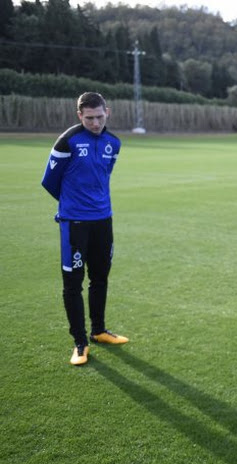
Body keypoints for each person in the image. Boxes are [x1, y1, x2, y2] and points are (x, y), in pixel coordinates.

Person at [41, 92, 129, 366]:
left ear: (108, 112)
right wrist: (71, 206)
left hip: (104, 220)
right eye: (89, 118)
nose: (95, 123)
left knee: (100, 277)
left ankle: (99, 331)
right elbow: (50, 181)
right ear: (80, 115)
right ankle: (80, 343)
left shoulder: (113, 143)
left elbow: (104, 176)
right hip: (74, 223)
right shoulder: (67, 141)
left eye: (100, 117)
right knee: (73, 284)